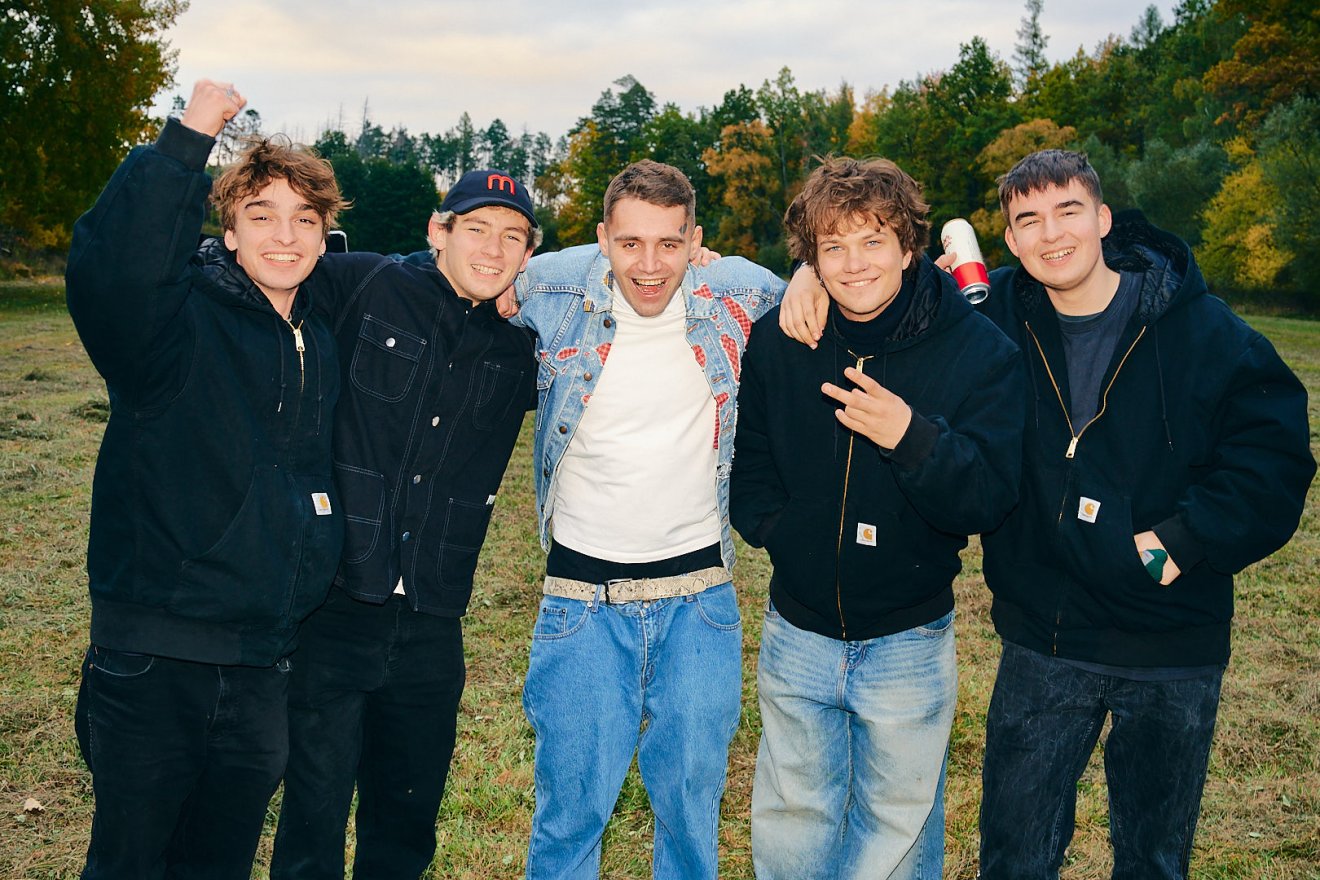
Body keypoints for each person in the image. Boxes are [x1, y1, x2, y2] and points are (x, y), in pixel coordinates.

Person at [971, 149, 1315, 878]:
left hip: (1171, 645)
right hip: (1044, 638)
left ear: (1103, 219)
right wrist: (808, 275)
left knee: (1153, 862)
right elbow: (876, 286)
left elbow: (1274, 458)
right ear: (1010, 239)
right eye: (1029, 219)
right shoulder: (994, 316)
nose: (1051, 234)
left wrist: (1183, 539)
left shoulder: (1202, 331)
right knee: (1013, 857)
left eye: (1068, 210)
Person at [65, 80, 345, 878]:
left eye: (304, 219)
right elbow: (113, 268)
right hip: (155, 659)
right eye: (261, 215)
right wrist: (188, 137)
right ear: (227, 232)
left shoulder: (318, 335)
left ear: (325, 236)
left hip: (262, 663)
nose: (284, 236)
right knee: (130, 863)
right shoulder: (170, 326)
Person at [729, 157, 1023, 880]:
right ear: (811, 257)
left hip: (907, 639)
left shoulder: (978, 349)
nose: (854, 263)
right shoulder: (782, 339)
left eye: (872, 241)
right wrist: (783, 533)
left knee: (895, 826)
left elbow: (989, 496)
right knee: (794, 819)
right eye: (833, 246)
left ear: (909, 245)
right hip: (797, 629)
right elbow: (751, 464)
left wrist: (911, 438)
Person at [510, 159, 788, 880]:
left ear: (696, 240)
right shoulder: (554, 287)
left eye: (669, 243)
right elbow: (468, 272)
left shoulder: (734, 291)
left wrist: (815, 278)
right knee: (570, 813)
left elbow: (820, 291)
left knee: (692, 811)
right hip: (581, 600)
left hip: (700, 601)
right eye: (630, 243)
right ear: (602, 238)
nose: (650, 265)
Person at [269, 169, 540, 877]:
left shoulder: (520, 347)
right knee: (313, 815)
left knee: (407, 823)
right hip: (335, 605)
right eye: (475, 229)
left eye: (513, 237)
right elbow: (259, 265)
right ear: (437, 231)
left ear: (529, 254)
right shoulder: (366, 283)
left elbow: (623, 285)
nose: (493, 250)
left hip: (432, 614)